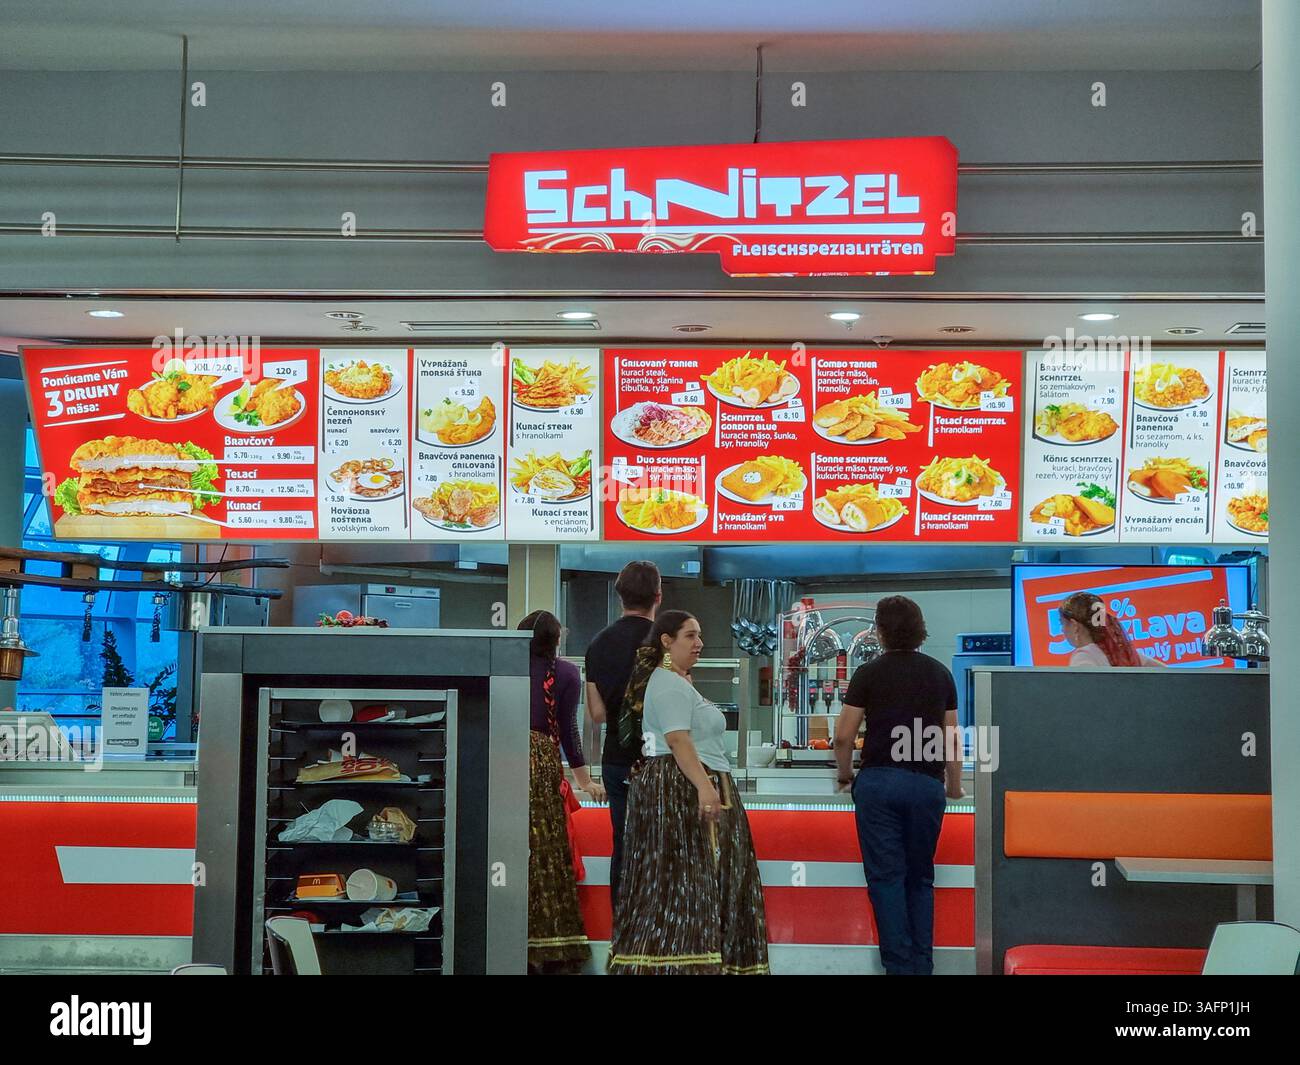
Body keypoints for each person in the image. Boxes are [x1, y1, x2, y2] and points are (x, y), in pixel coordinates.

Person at [608, 611, 769, 975]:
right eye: (690, 636)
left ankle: (711, 959)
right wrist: (705, 787)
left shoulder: (678, 682)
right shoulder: (667, 684)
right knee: (685, 879)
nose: (698, 643)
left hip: (695, 784)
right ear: (666, 641)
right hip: (681, 790)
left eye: (699, 636)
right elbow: (677, 740)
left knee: (703, 877)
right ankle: (681, 963)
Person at [834, 596, 963, 976]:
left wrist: (845, 776)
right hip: (925, 785)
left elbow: (843, 737)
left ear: (880, 631)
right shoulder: (941, 674)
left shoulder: (868, 673)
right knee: (920, 878)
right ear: (920, 629)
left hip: (879, 784)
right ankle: (922, 968)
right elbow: (950, 739)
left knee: (887, 880)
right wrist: (953, 786)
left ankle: (898, 969)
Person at [519, 609, 604, 974]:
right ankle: (552, 948)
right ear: (556, 641)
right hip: (542, 766)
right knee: (546, 855)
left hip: (500, 760)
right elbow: (569, 730)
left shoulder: (503, 665)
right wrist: (585, 781)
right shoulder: (568, 673)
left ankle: (507, 939)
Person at [584, 560, 660, 909]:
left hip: (616, 758)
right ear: (658, 596)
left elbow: (597, 714)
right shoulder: (666, 641)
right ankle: (657, 930)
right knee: (660, 844)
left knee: (625, 843)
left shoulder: (598, 644)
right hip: (658, 759)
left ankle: (623, 928)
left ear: (620, 598)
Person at [1059, 592, 1165, 667]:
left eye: (1062, 623)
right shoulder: (1123, 652)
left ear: (1074, 625)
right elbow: (1172, 675)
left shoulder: (1083, 656)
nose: (1062, 630)